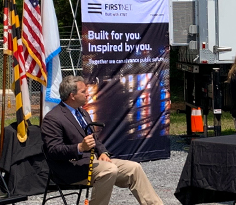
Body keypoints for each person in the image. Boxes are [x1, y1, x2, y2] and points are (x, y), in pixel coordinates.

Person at [41, 76, 163, 205]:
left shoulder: (82, 113)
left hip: (92, 162)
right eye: (83, 91)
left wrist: (103, 152)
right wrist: (79, 148)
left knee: (134, 168)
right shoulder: (53, 118)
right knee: (109, 169)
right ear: (72, 95)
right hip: (71, 168)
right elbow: (53, 150)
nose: (87, 94)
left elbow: (94, 139)